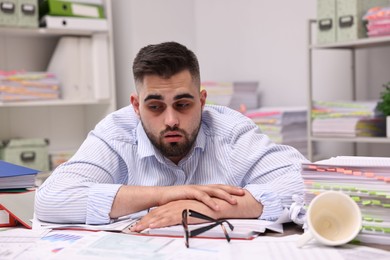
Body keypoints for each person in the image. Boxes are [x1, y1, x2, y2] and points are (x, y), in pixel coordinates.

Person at [35, 41, 308, 231]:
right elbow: (52, 199)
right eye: (154, 106)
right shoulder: (115, 132)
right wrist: (168, 195)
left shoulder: (231, 130)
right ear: (135, 106)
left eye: (183, 104)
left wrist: (207, 207)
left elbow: (307, 183)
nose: (171, 120)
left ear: (202, 101)